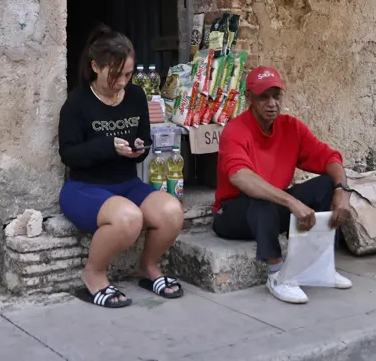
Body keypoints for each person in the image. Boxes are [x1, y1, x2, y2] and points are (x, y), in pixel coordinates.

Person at [58, 24, 185, 309]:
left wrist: (139, 150)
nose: (122, 82)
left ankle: (148, 268)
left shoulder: (137, 96)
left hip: (127, 185)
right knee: (129, 218)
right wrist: (106, 146)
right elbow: (68, 154)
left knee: (171, 211)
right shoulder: (77, 102)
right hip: (84, 189)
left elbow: (143, 145)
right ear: (95, 66)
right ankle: (94, 274)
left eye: (127, 74)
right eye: (115, 74)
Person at [211, 65, 356, 304]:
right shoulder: (235, 129)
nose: (271, 103)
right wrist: (291, 202)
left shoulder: (291, 127)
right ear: (249, 98)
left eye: (276, 96)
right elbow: (240, 177)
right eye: (263, 97)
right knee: (263, 197)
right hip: (232, 214)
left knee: (326, 184)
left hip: (271, 208)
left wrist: (342, 190)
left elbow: (330, 158)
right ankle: (276, 275)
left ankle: (318, 265)